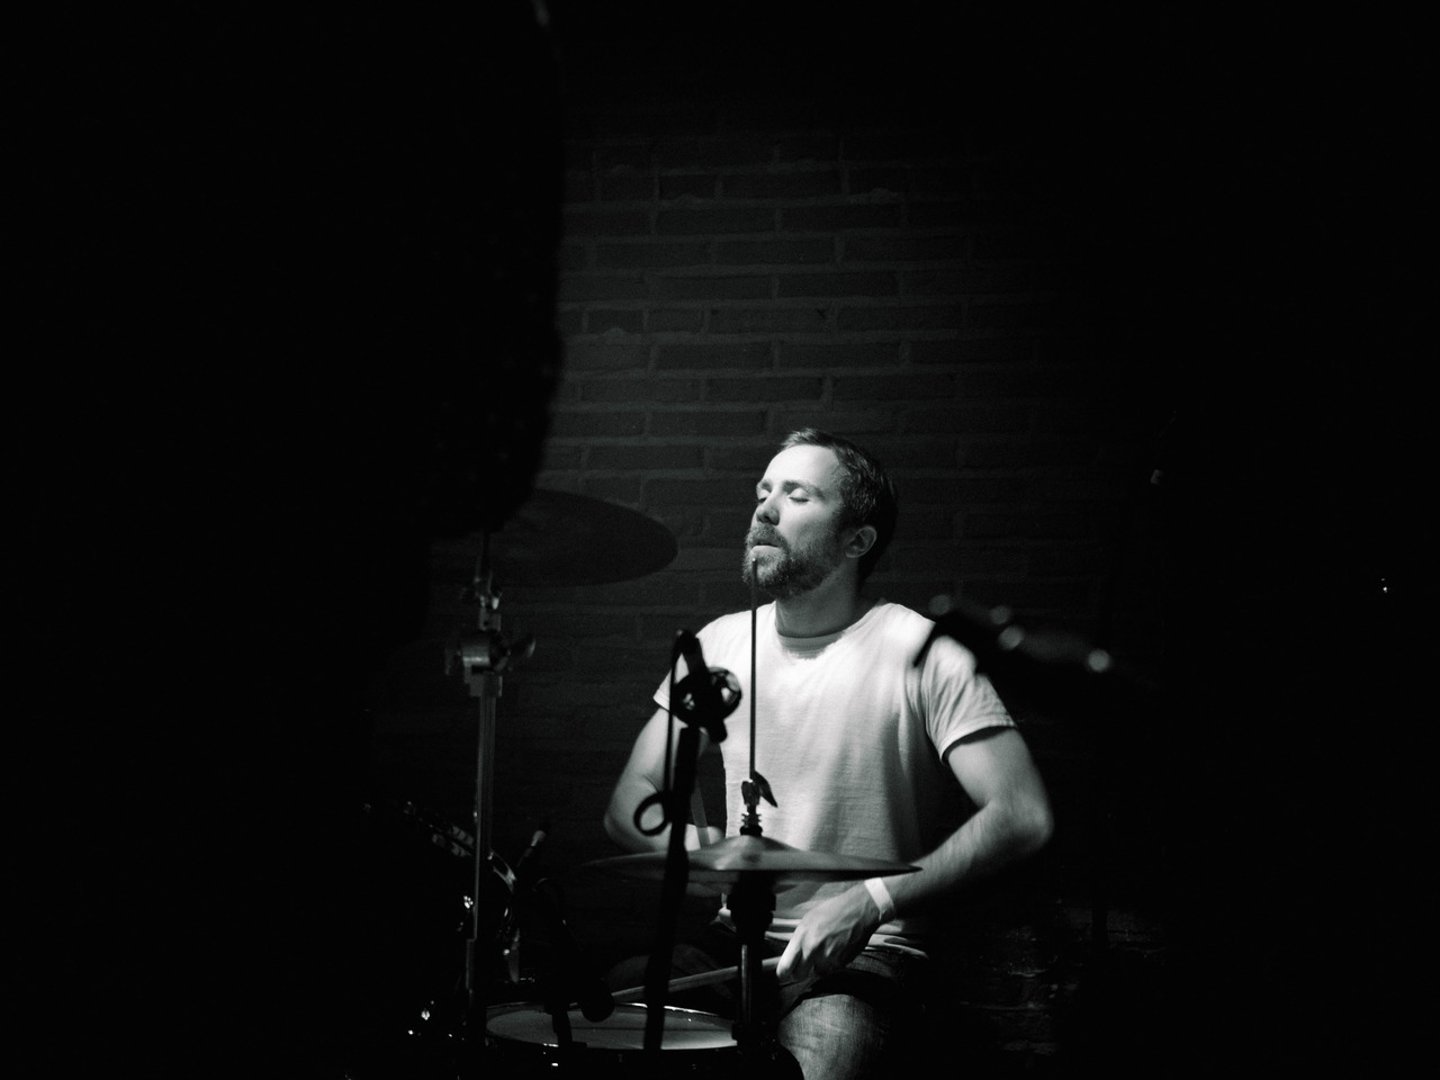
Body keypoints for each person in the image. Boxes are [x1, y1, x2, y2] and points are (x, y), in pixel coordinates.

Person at [603, 428, 1054, 1079]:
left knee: (824, 1053)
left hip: (870, 950)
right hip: (735, 944)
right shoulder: (719, 646)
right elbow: (629, 802)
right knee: (612, 1011)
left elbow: (1022, 813)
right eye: (763, 492)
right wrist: (701, 852)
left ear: (856, 541)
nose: (765, 508)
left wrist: (871, 900)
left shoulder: (922, 651)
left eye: (797, 495)